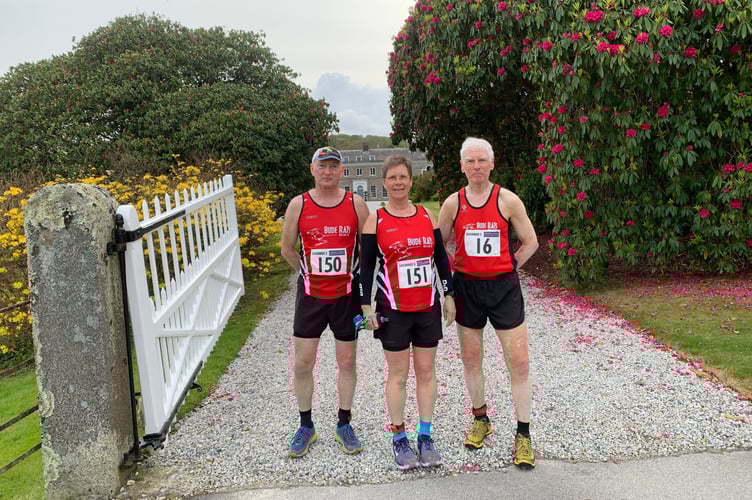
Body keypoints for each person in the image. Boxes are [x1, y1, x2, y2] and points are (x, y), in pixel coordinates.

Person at [438, 137, 539, 469]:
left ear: (492, 164)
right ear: (462, 166)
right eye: (471, 161)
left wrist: (509, 267)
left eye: (482, 160)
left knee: (519, 362)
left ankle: (523, 434)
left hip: (503, 289)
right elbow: (439, 247)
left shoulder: (507, 200)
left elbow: (530, 241)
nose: (477, 166)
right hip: (468, 288)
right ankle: (480, 418)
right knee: (471, 358)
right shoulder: (453, 203)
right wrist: (455, 271)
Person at [359, 154, 456, 470]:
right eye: (392, 178)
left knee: (427, 372)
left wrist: (449, 295)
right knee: (398, 375)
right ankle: (399, 438)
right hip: (394, 309)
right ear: (384, 182)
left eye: (403, 177)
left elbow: (441, 259)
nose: (398, 183)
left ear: (411, 180)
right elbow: (367, 268)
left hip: (426, 308)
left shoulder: (428, 216)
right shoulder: (376, 220)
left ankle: (425, 435)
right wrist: (365, 306)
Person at [280, 146, 370, 458]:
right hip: (311, 297)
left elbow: (367, 250)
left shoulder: (355, 203)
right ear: (313, 169)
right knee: (303, 363)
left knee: (346, 362)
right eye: (323, 166)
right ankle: (306, 425)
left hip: (345, 296)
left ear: (342, 171)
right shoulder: (298, 205)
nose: (328, 171)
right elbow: (288, 248)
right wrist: (306, 274)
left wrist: (362, 285)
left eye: (334, 166)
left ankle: (344, 422)